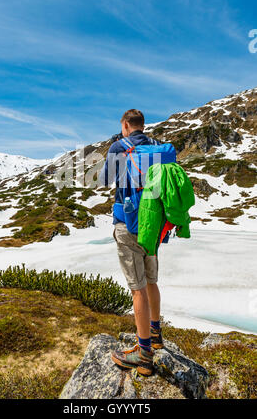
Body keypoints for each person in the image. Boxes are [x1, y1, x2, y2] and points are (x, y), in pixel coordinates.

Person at [100, 109, 163, 377]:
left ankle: (144, 354)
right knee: (151, 282)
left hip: (127, 225)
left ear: (125, 125)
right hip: (152, 225)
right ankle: (156, 334)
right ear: (142, 126)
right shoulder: (156, 147)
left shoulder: (119, 146)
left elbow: (105, 180)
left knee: (136, 289)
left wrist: (114, 150)